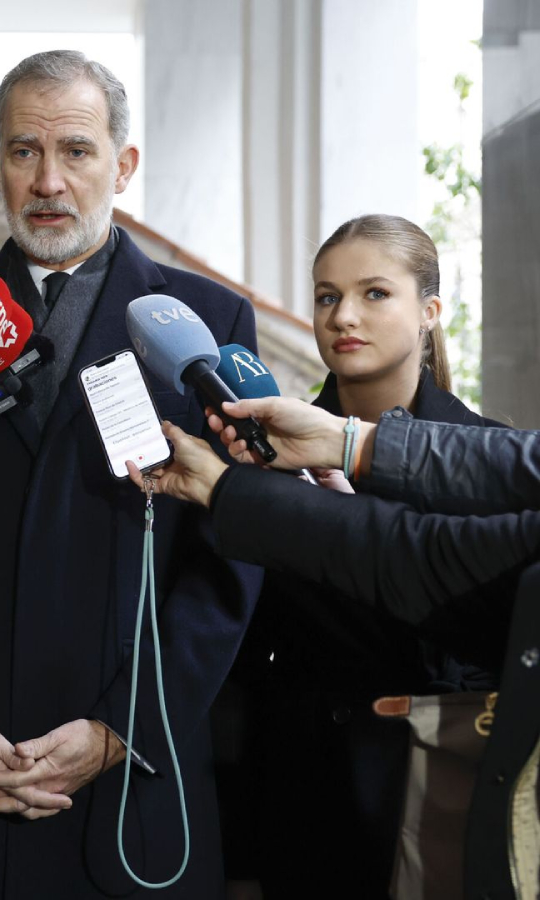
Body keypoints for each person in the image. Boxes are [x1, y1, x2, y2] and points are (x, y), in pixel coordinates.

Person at [0, 50, 263, 898]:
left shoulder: (208, 320)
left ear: (123, 164)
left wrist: (122, 727)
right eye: (23, 152)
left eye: (75, 151)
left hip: (131, 785)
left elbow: (231, 560)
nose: (49, 180)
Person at [133, 400, 540, 899]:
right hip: (308, 811)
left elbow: (419, 561)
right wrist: (345, 442)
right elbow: (412, 549)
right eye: (325, 311)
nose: (345, 318)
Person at [215, 214, 505, 897]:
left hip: (445, 791)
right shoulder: (260, 458)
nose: (343, 315)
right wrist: (241, 856)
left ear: (430, 311)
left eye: (375, 293)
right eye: (325, 296)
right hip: (304, 802)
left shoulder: (488, 458)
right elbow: (242, 665)